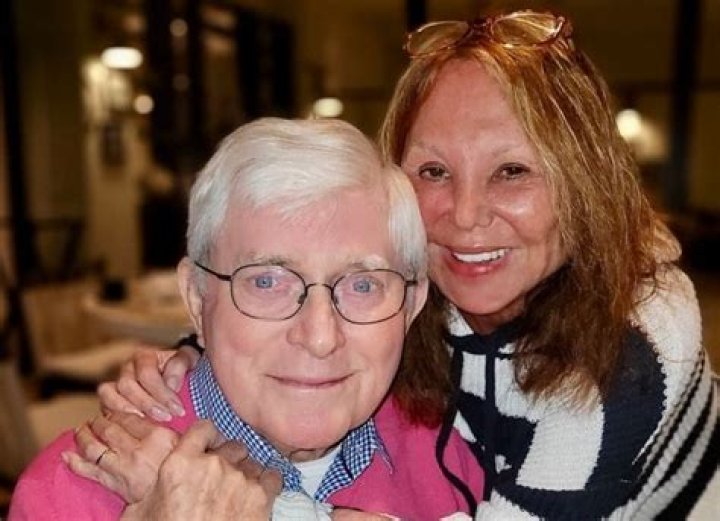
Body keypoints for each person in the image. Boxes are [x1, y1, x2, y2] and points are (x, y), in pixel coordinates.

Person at [72, 9, 718, 520]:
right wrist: (200, 347)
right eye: (433, 171)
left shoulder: (629, 354)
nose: (465, 215)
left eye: (513, 171)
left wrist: (250, 507)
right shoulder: (424, 296)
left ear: (586, 182)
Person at [9, 117, 484, 520]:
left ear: (411, 303)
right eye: (267, 281)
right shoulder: (68, 494)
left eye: (362, 285)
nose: (320, 337)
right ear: (197, 296)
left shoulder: (451, 459)